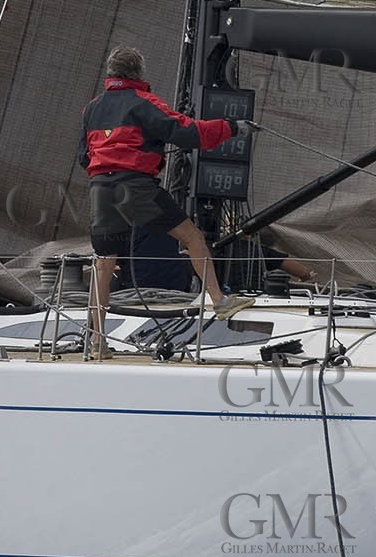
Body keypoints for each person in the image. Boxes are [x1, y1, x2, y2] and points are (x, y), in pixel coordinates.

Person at [78, 45, 254, 352]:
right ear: (138, 73)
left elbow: (84, 155)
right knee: (192, 237)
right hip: (136, 186)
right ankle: (219, 300)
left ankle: (96, 340)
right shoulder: (144, 102)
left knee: (104, 263)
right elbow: (185, 132)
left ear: (110, 73)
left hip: (100, 189)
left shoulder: (92, 107)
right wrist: (232, 128)